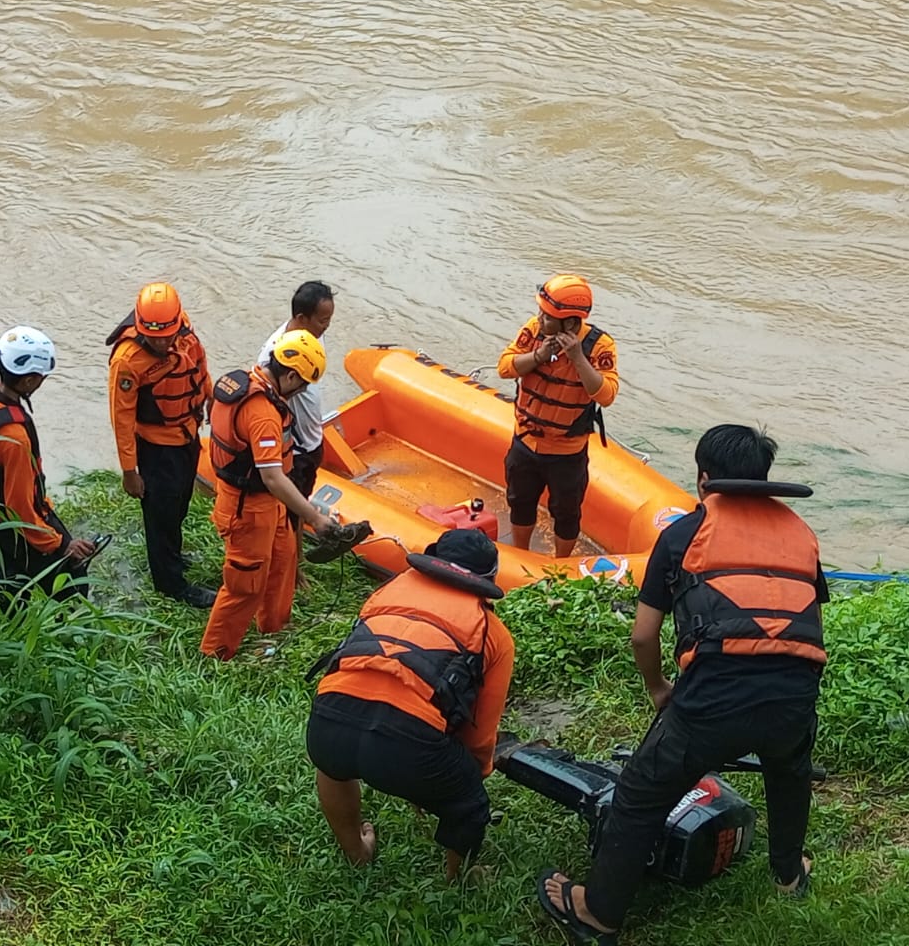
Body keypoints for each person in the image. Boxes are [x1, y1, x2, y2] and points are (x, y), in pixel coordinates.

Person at [536, 425, 828, 945]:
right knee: (789, 775)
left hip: (711, 703)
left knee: (639, 796)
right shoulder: (801, 535)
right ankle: (788, 875)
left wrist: (657, 687)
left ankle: (597, 915)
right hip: (794, 699)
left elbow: (643, 635)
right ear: (763, 480)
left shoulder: (682, 535)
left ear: (703, 479)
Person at [305, 528, 514, 879]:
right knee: (468, 799)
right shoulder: (493, 634)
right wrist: (448, 782)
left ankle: (357, 851)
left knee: (332, 766)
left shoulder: (387, 592)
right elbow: (479, 736)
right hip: (408, 742)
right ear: (488, 578)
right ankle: (460, 877)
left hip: (328, 720)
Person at [200, 329, 341, 660]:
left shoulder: (245, 383)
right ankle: (215, 655)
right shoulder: (262, 412)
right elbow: (273, 477)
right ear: (290, 375)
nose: (303, 391)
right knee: (244, 586)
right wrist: (314, 517)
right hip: (248, 508)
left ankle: (274, 631)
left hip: (268, 505)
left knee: (282, 564)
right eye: (303, 384)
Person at [0, 326, 98, 611]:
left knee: (9, 589)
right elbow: (20, 509)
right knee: (73, 581)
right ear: (29, 380)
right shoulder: (14, 439)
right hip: (16, 527)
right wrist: (60, 543)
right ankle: (69, 636)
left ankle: (11, 630)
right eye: (41, 378)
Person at [106, 282, 217, 609]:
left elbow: (199, 368)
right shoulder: (127, 361)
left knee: (180, 503)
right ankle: (171, 585)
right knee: (161, 514)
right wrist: (130, 471)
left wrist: (210, 400)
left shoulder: (184, 333)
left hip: (187, 434)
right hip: (156, 448)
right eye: (154, 336)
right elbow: (121, 418)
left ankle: (173, 556)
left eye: (167, 335)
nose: (162, 341)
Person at [496, 274, 620, 559]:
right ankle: (520, 556)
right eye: (541, 311)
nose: (540, 318)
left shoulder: (600, 347)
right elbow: (505, 367)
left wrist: (577, 358)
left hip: (567, 451)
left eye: (547, 315)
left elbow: (606, 395)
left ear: (570, 322)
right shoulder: (534, 330)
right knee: (520, 500)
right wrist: (539, 355)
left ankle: (561, 563)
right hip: (525, 441)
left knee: (566, 512)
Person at [258, 281, 335, 517]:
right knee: (288, 516)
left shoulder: (311, 337)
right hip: (294, 449)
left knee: (301, 504)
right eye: (323, 321)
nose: (327, 326)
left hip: (312, 441)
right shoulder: (274, 355)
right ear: (302, 318)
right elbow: (264, 403)